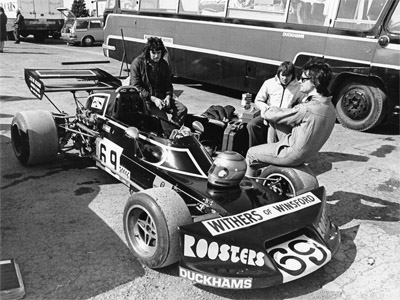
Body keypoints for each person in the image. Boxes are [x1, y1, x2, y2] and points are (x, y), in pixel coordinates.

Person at [245, 59, 336, 177]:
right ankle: (270, 157)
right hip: (308, 152)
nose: (299, 82)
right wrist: (274, 112)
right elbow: (283, 115)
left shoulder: (306, 108)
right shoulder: (330, 108)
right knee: (276, 121)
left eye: (303, 79)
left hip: (293, 153)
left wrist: (266, 112)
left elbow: (280, 114)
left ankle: (249, 188)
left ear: (315, 81)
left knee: (251, 153)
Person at [129, 37, 187, 126]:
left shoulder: (164, 64)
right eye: (153, 53)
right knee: (163, 119)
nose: (156, 56)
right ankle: (166, 129)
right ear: (148, 52)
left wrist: (168, 96)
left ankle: (172, 130)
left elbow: (168, 84)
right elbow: (136, 87)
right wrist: (153, 99)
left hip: (161, 97)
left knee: (182, 109)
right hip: (145, 100)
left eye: (159, 53)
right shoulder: (137, 63)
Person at [247, 61, 305, 147]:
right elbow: (258, 100)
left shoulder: (299, 87)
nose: (284, 78)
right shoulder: (269, 83)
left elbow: (303, 105)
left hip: (284, 118)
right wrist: (265, 108)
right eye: (282, 75)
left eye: (288, 76)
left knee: (277, 136)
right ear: (278, 74)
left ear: (292, 75)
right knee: (252, 125)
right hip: (268, 114)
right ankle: (255, 150)